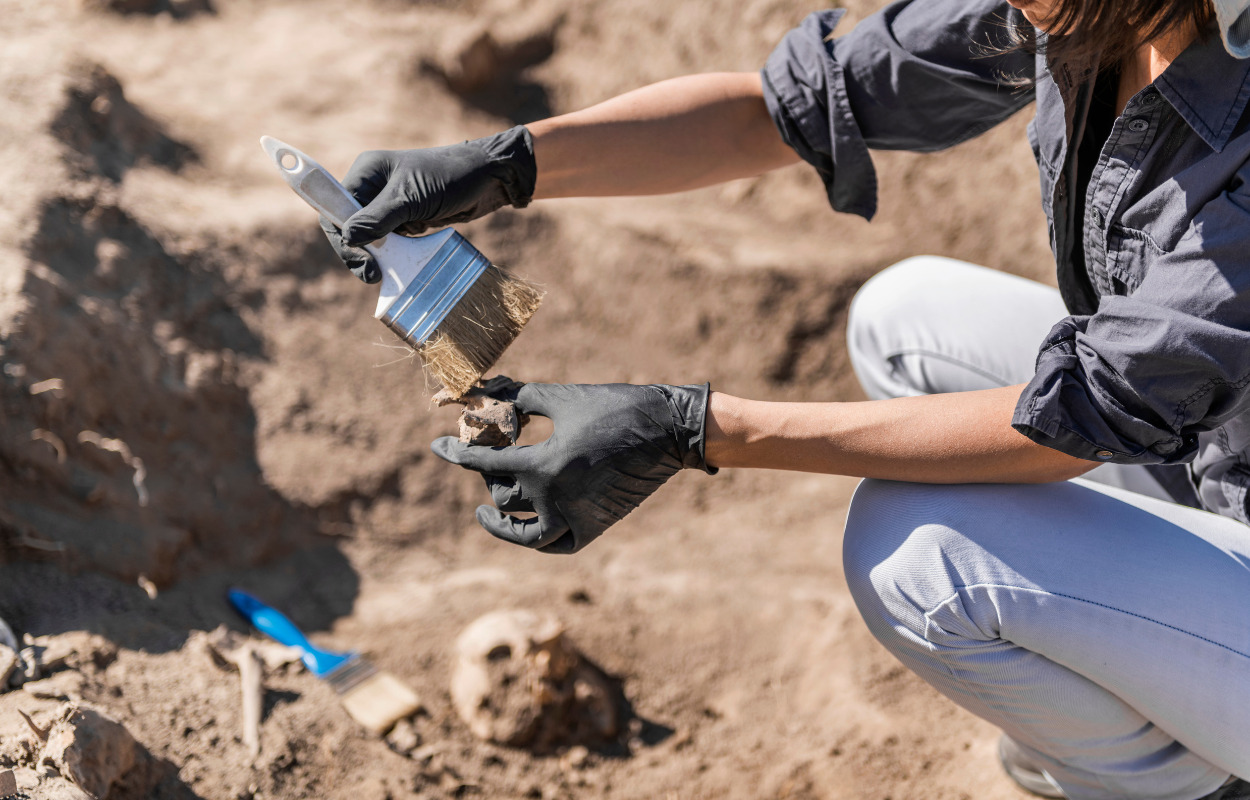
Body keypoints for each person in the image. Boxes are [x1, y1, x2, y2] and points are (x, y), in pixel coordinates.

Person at [319, 0, 1250, 797]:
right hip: (1216, 456)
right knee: (906, 321)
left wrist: (692, 430)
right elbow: (779, 109)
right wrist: (511, 163)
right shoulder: (1081, 12)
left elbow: (1080, 416)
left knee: (918, 555)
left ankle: (1189, 777)